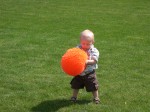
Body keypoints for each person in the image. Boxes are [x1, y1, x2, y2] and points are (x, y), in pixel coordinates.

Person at [70, 29, 100, 104]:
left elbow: (94, 61)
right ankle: (74, 97)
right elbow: (73, 56)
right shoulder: (78, 49)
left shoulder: (94, 51)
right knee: (75, 85)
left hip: (89, 72)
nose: (85, 46)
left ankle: (96, 98)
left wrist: (86, 62)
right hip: (79, 72)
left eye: (88, 44)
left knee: (93, 86)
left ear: (92, 42)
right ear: (80, 41)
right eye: (83, 43)